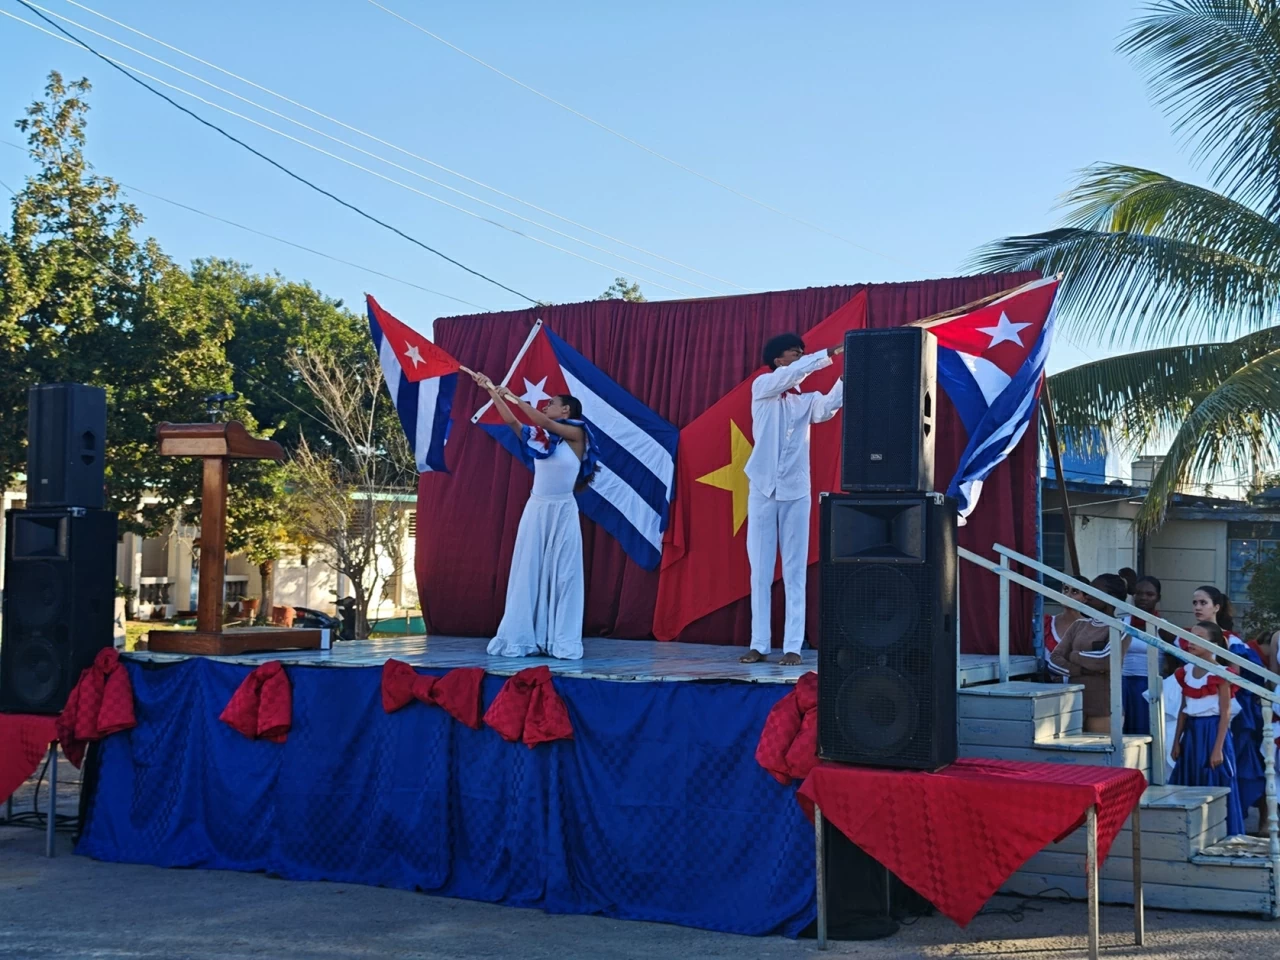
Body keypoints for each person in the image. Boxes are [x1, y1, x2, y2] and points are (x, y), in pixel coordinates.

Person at [471, 372, 597, 661]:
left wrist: (512, 396)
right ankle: (522, 636)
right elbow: (513, 422)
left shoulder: (577, 435)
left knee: (564, 575)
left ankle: (561, 640)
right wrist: (492, 391)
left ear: (566, 410)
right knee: (527, 571)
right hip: (537, 509)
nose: (544, 406)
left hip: (563, 511)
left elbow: (541, 421)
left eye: (551, 403)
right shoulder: (542, 440)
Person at [739, 333, 844, 666]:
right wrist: (829, 351)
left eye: (803, 353)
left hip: (796, 492)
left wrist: (849, 371)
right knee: (760, 569)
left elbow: (828, 407)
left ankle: (793, 646)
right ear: (778, 360)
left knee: (795, 569)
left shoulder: (806, 400)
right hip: (762, 489)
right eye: (794, 353)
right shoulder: (763, 387)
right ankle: (759, 643)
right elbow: (791, 376)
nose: (800, 357)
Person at [1171, 620, 1246, 837]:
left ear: (1213, 643)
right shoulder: (1185, 671)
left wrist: (1218, 748)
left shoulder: (1221, 673)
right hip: (1192, 734)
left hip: (1213, 732)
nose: (1191, 642)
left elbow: (1225, 713)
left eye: (1199, 638)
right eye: (1191, 637)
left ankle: (1224, 833)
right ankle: (1192, 835)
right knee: (1191, 780)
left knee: (1215, 780)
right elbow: (1184, 709)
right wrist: (1177, 741)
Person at [1049, 573, 1130, 733]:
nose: (1087, 595)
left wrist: (1074, 655)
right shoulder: (1079, 625)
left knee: (1100, 755)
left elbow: (1105, 660)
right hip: (1072, 705)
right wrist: (1082, 670)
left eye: (1093, 590)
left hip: (1103, 707)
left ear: (1110, 597)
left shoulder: (1120, 628)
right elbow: (1054, 660)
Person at [1121, 576, 1165, 735]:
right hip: (1121, 684)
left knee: (1145, 731)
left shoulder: (1164, 627)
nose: (1143, 598)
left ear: (1158, 598)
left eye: (1149, 594)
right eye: (1139, 593)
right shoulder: (1121, 622)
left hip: (1148, 687)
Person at [1043, 575, 1089, 683]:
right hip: (1044, 685)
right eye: (1066, 589)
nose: (1067, 595)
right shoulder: (1047, 623)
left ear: (1085, 598)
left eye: (1075, 592)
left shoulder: (1090, 626)